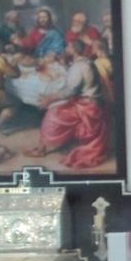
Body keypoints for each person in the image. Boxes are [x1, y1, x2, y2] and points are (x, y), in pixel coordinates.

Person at [26, 39, 107, 168]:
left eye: (68, 47)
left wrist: (50, 98)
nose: (66, 49)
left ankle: (41, 149)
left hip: (87, 107)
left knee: (52, 114)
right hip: (87, 103)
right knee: (57, 107)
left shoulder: (78, 66)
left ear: (74, 50)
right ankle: (47, 146)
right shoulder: (86, 62)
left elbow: (70, 90)